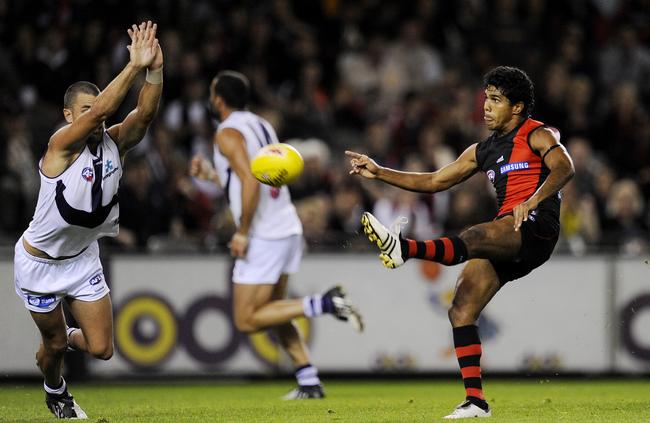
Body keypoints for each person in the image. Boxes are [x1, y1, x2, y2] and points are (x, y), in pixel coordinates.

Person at [347, 66, 574, 419]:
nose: (485, 106)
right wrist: (380, 172)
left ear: (517, 107)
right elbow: (436, 180)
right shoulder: (482, 150)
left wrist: (534, 200)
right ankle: (476, 402)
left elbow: (565, 167)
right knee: (462, 308)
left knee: (475, 235)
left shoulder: (538, 134)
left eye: (495, 100)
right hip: (510, 235)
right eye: (486, 98)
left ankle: (403, 249)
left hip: (535, 226)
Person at [13, 21, 163, 419]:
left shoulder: (114, 142)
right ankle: (55, 390)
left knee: (102, 349)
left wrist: (154, 70)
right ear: (68, 115)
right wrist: (132, 67)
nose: (95, 120)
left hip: (81, 259)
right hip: (39, 263)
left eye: (94, 113)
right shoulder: (60, 145)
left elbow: (144, 115)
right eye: (84, 112)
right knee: (56, 348)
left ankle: (61, 340)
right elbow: (102, 109)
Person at [190, 70, 362, 400]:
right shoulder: (262, 125)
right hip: (285, 225)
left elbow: (251, 182)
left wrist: (241, 232)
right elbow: (255, 175)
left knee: (246, 319)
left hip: (262, 234)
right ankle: (308, 380)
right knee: (276, 308)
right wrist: (212, 175)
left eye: (213, 95)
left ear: (219, 99)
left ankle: (325, 302)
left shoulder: (226, 133)